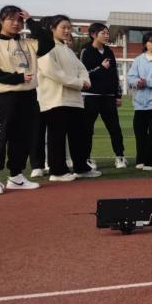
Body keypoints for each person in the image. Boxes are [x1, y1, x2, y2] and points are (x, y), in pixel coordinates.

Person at [0, 6, 42, 195]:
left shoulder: (27, 42)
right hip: (3, 96)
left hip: (28, 95)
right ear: (1, 21)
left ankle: (16, 176)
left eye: (19, 20)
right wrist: (16, 78)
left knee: (22, 137)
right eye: (11, 19)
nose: (16, 23)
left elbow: (47, 44)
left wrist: (30, 21)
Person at [33, 14, 100, 182]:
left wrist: (85, 80)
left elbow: (81, 68)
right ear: (52, 28)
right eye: (63, 27)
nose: (67, 31)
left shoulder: (67, 50)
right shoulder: (46, 48)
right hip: (55, 99)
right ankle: (58, 171)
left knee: (78, 135)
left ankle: (81, 167)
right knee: (57, 136)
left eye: (69, 28)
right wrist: (79, 83)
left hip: (74, 99)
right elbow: (53, 72)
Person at [80, 23, 127, 169]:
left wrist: (118, 95)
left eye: (107, 33)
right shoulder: (86, 51)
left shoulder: (109, 52)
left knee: (115, 128)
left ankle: (120, 156)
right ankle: (86, 158)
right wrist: (101, 68)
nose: (107, 36)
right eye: (103, 33)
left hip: (108, 96)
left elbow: (114, 75)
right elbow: (83, 74)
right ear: (93, 35)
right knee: (87, 129)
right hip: (90, 95)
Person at [126, 32, 152, 171]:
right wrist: (136, 82)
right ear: (145, 44)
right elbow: (130, 77)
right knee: (140, 134)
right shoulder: (138, 60)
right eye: (150, 42)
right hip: (140, 104)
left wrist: (148, 83)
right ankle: (140, 159)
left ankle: (150, 161)